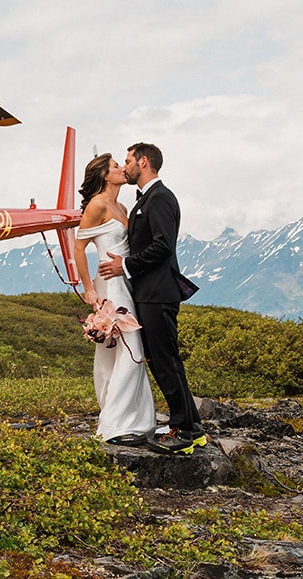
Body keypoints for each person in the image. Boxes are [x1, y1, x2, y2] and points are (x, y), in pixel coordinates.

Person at [98, 142, 205, 453]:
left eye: (129, 160)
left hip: (158, 293)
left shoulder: (159, 198)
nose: (126, 165)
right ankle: (190, 425)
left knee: (164, 360)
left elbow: (163, 246)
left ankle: (184, 431)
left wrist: (125, 265)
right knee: (163, 359)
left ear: (143, 162)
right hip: (151, 292)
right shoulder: (149, 198)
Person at [72, 153, 155, 445]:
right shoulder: (97, 204)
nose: (122, 168)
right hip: (109, 286)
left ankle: (132, 419)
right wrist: (88, 288)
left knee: (112, 354)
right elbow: (79, 247)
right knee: (132, 349)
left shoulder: (122, 206)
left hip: (126, 282)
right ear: (107, 176)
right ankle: (116, 426)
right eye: (116, 166)